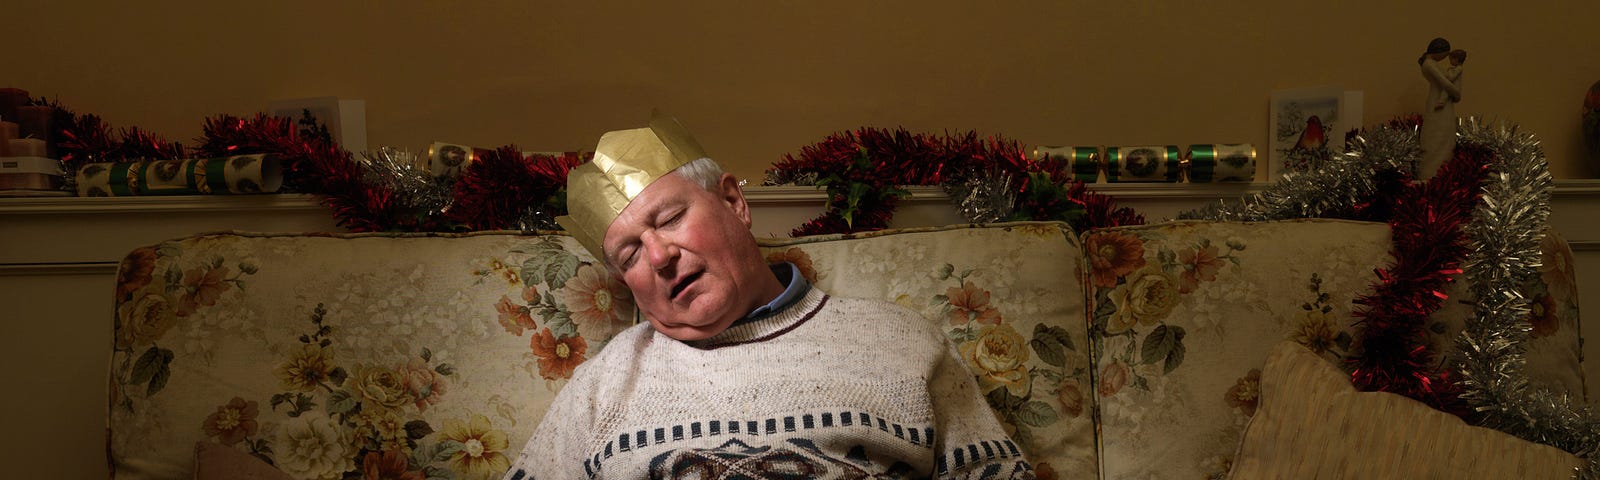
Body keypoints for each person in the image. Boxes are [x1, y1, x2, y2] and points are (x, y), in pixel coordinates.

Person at [501, 112, 1035, 479]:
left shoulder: (902, 341)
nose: (660, 256)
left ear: (733, 201)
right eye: (631, 256)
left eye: (670, 219)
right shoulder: (605, 381)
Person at [1418, 37, 1464, 179]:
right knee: (1436, 136)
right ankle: (1432, 173)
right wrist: (1456, 94)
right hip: (1438, 103)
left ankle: (1442, 172)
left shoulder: (1431, 63)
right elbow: (1444, 82)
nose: (1446, 59)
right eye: (1444, 55)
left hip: (1441, 102)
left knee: (1444, 136)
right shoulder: (1430, 64)